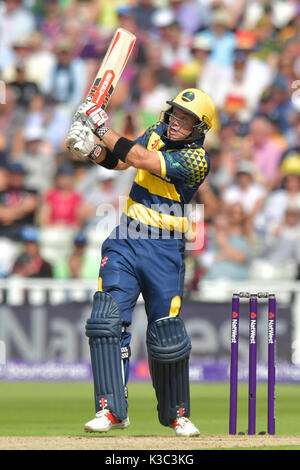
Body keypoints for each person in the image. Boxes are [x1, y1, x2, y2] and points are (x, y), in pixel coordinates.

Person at [66, 87, 216, 437]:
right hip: (127, 237)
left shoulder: (196, 160)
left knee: (166, 333)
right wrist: (92, 149)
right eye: (175, 114)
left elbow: (140, 160)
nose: (177, 122)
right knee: (106, 320)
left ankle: (177, 414)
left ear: (200, 128)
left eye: (186, 119)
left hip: (165, 249)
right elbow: (120, 160)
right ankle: (111, 410)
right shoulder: (155, 133)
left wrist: (102, 124)